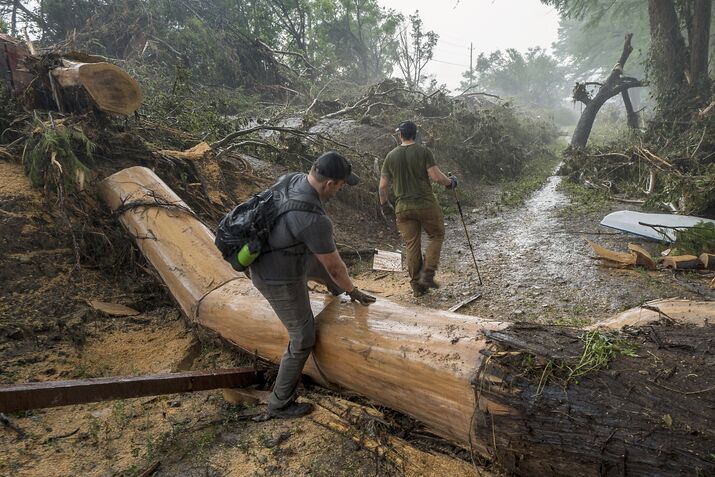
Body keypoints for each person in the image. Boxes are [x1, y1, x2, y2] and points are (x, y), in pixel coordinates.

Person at [250, 151, 376, 419]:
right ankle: (279, 403)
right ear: (330, 183)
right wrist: (352, 290)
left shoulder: (292, 179)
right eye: (341, 185)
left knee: (321, 264)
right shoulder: (314, 220)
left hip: (281, 255)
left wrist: (339, 284)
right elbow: (334, 267)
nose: (341, 189)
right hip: (277, 278)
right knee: (303, 337)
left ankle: (336, 289)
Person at [379, 121, 457, 297]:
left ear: (401, 135)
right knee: (436, 235)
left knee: (412, 244)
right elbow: (437, 177)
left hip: (403, 208)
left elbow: (383, 186)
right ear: (415, 135)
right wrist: (451, 183)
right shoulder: (423, 152)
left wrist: (385, 205)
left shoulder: (391, 156)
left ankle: (417, 286)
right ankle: (428, 275)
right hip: (426, 204)